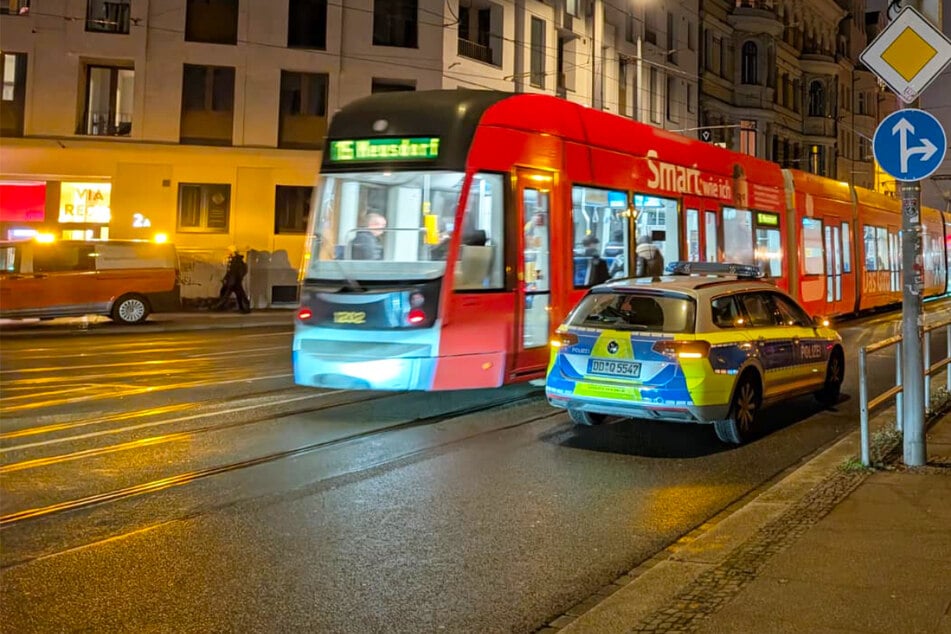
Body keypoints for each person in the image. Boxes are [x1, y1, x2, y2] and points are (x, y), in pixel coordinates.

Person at [214, 249, 251, 313]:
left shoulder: (236, 265)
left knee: (232, 296)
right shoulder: (240, 265)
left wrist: (227, 279)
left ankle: (219, 307)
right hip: (235, 282)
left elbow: (230, 273)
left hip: (234, 283)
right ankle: (243, 308)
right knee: (240, 296)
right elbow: (234, 273)